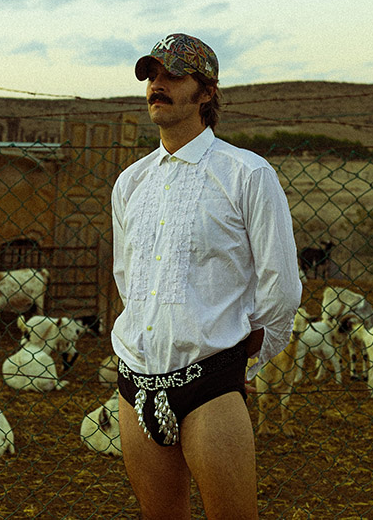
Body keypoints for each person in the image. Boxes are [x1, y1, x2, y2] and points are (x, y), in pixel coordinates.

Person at [110, 33, 302, 519]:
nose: (158, 84)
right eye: (152, 75)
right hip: (134, 383)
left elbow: (281, 289)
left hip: (209, 385)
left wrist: (245, 362)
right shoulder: (130, 182)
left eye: (174, 75)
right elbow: (127, 279)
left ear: (207, 91)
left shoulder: (246, 174)